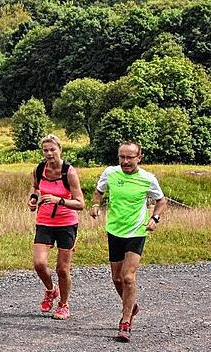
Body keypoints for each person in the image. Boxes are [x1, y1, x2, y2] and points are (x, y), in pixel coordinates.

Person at [90, 141, 166, 342]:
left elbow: (161, 201)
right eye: (121, 157)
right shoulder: (110, 173)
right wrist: (96, 205)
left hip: (136, 232)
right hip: (114, 230)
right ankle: (131, 306)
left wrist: (154, 218)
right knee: (116, 278)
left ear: (139, 157)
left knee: (128, 277)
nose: (125, 161)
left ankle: (125, 322)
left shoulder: (148, 179)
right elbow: (99, 191)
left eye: (129, 157)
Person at [27, 135, 86, 320]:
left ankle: (63, 305)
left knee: (62, 269)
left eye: (52, 149)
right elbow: (35, 188)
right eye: (45, 150)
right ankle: (51, 290)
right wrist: (33, 199)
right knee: (39, 263)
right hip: (44, 221)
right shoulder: (39, 169)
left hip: (66, 223)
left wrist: (59, 200)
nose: (49, 153)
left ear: (60, 149)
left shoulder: (69, 172)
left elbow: (80, 203)